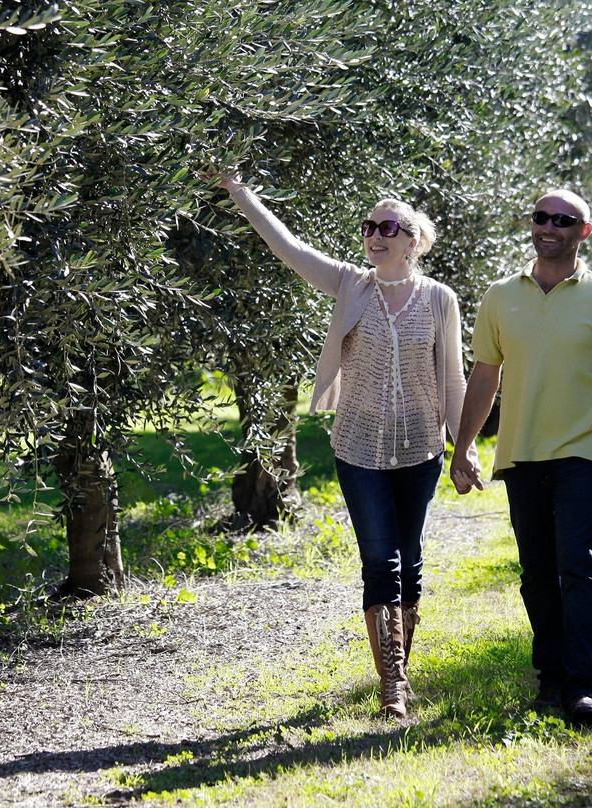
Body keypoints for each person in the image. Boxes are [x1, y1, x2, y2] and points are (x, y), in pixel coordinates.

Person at [214, 171, 476, 719]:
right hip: (358, 447)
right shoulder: (350, 284)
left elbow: (453, 379)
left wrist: (464, 448)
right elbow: (287, 247)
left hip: (421, 449)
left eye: (388, 227)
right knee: (380, 558)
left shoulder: (440, 299)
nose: (375, 235)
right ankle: (393, 683)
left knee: (411, 559)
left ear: (413, 240)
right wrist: (239, 191)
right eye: (369, 226)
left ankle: (399, 666)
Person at [449, 189, 592, 729]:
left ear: (584, 231)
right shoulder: (500, 296)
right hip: (519, 454)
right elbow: (485, 375)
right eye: (541, 217)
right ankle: (550, 677)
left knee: (577, 565)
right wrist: (462, 448)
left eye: (563, 220)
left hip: (582, 451)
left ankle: (582, 688)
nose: (549, 227)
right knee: (536, 573)